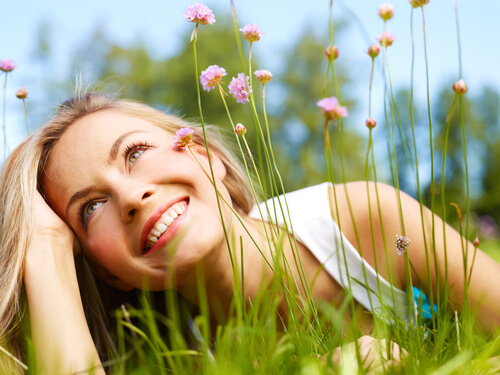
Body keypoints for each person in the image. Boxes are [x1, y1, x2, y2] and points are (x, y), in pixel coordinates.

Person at [0, 92, 499, 374]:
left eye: (134, 153)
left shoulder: (369, 219)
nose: (131, 198)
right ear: (108, 273)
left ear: (206, 157)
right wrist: (42, 247)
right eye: (90, 208)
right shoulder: (172, 357)